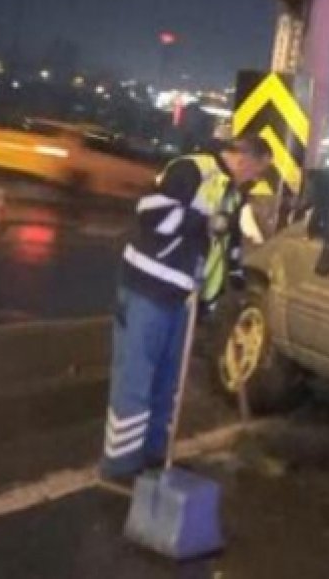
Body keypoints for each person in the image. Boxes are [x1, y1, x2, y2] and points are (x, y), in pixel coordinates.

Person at [99, 136, 273, 486]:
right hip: (148, 289)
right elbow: (151, 212)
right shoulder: (191, 169)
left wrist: (235, 282)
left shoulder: (234, 194)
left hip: (184, 299)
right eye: (258, 170)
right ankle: (120, 466)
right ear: (244, 158)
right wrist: (203, 222)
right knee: (137, 380)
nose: (256, 178)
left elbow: (228, 245)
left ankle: (154, 457)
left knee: (168, 384)